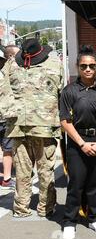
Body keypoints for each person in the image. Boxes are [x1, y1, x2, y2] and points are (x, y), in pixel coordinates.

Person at [0, 38, 63, 218]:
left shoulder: (54, 64)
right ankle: (21, 207)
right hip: (18, 126)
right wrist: (9, 109)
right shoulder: (11, 65)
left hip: (45, 127)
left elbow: (62, 93)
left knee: (46, 171)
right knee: (21, 171)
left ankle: (46, 207)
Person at [60, 45, 96, 239]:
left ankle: (94, 218)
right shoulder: (69, 91)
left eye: (91, 66)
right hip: (77, 142)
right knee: (76, 183)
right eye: (83, 66)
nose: (88, 69)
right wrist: (82, 144)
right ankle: (69, 221)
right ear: (77, 67)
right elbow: (65, 121)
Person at [0, 46, 17, 190]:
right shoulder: (7, 71)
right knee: (7, 148)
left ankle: (6, 178)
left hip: (6, 117)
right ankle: (6, 179)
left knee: (8, 148)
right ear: (10, 56)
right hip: (5, 116)